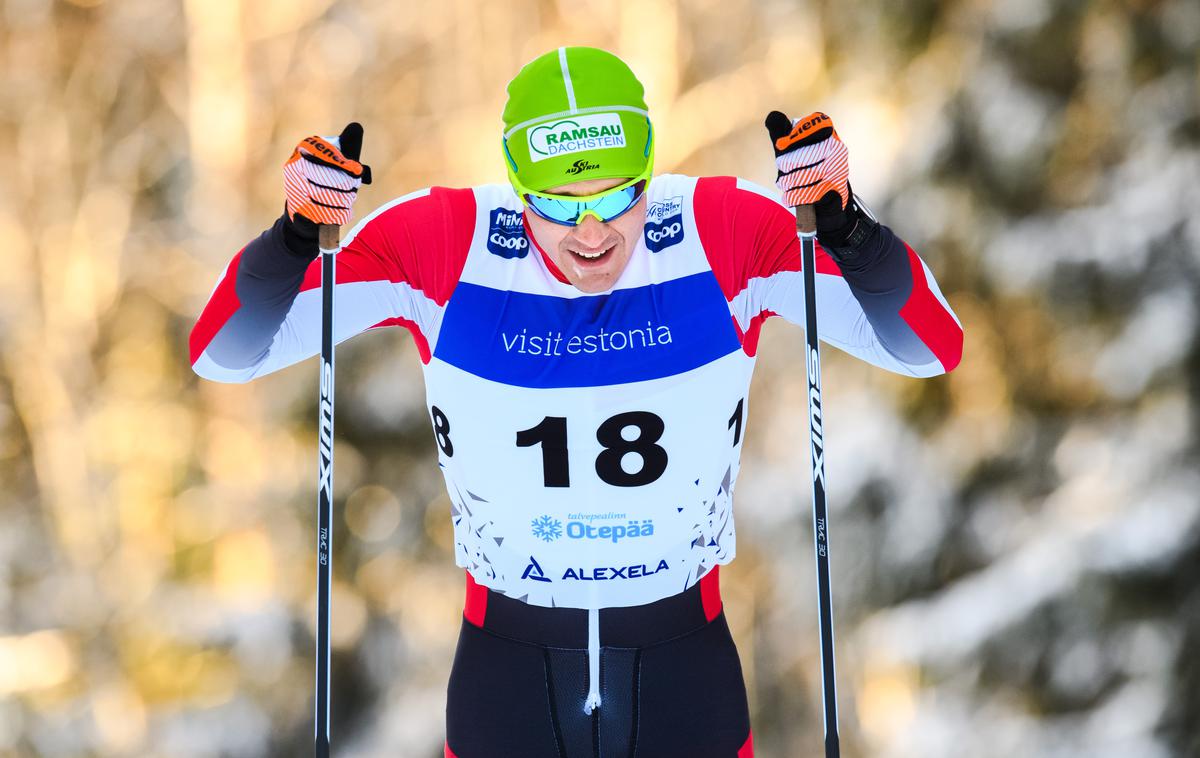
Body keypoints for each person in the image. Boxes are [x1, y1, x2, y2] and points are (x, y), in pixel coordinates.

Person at [190, 46, 962, 758]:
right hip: (509, 675)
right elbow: (225, 354)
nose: (591, 232)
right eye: (557, 206)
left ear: (650, 171)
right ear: (515, 185)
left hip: (683, 671)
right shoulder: (444, 241)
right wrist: (294, 238)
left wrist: (847, 229)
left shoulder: (721, 229)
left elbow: (931, 349)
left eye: (619, 195)